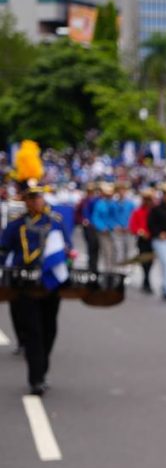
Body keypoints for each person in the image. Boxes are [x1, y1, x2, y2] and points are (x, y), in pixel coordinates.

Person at [0, 170, 68, 396]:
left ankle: (42, 369)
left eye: (39, 197)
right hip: (24, 284)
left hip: (49, 284)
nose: (36, 201)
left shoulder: (55, 223)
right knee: (33, 332)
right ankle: (35, 378)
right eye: (31, 197)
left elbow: (64, 248)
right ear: (25, 201)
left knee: (49, 329)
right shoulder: (15, 225)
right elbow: (3, 249)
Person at [128, 188, 156, 294]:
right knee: (144, 259)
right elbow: (133, 226)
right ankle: (146, 279)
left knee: (151, 260)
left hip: (152, 238)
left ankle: (147, 279)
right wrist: (140, 232)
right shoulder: (138, 211)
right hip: (142, 239)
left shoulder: (154, 211)